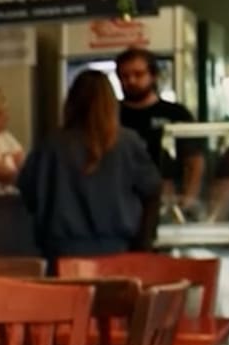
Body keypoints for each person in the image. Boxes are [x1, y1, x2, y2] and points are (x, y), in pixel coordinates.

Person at [18, 68, 161, 262]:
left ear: (71, 102)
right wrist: (144, 243)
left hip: (62, 249)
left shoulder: (51, 144)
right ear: (111, 103)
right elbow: (152, 191)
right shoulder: (128, 142)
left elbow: (28, 190)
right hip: (117, 247)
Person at [116, 46, 202, 200]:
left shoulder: (176, 113)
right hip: (121, 195)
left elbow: (194, 160)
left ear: (153, 75)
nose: (131, 81)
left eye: (138, 74)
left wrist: (189, 197)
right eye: (124, 76)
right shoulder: (110, 114)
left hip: (166, 195)